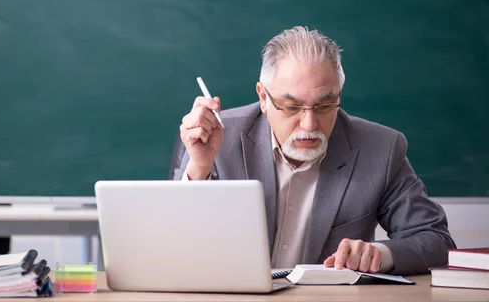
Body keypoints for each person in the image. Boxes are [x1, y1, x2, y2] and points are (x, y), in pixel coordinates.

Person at [168, 26, 455, 275]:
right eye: (292, 107)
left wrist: (379, 254)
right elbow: (172, 243)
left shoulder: (379, 149)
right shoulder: (213, 139)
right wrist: (200, 168)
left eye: (324, 105)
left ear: (338, 96)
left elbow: (437, 241)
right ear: (263, 97)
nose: (309, 124)